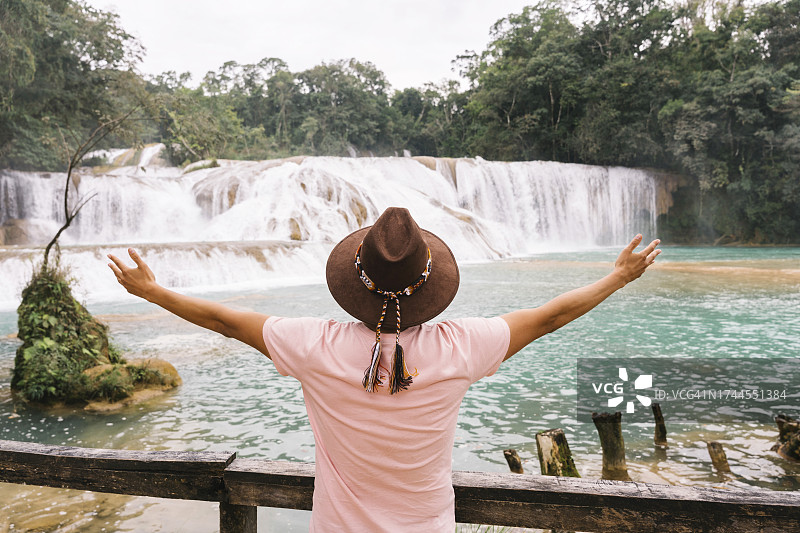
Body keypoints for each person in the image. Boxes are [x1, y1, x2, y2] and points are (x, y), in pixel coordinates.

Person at [107, 207, 660, 532]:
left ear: (355, 280)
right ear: (430, 282)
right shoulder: (460, 346)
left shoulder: (312, 346)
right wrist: (617, 278)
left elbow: (226, 321)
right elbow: (549, 317)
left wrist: (152, 292)